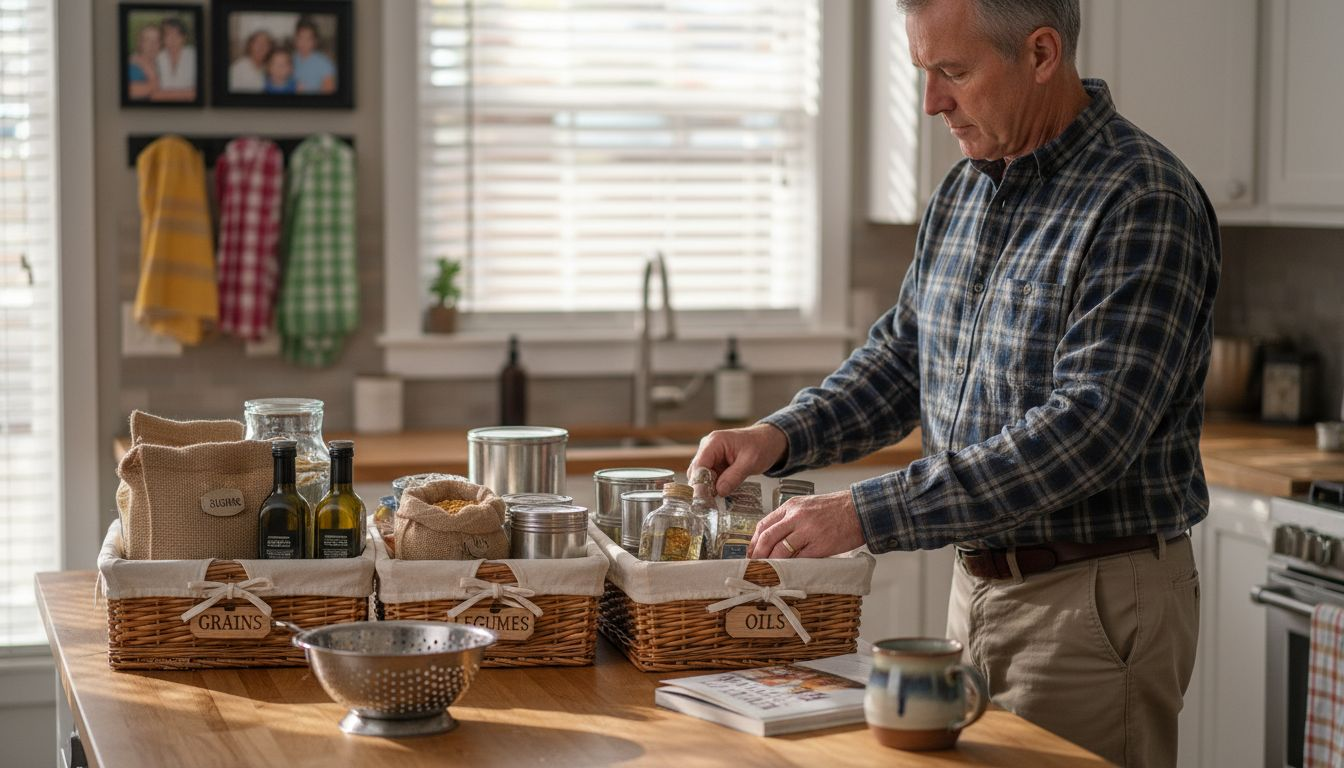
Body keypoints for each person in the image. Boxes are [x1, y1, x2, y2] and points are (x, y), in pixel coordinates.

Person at [688, 1, 1219, 766]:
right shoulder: (966, 190)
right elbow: (903, 359)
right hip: (976, 589)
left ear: (1041, 53)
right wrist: (779, 435)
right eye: (924, 71)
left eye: (954, 72)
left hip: (1092, 600)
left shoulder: (1142, 200)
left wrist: (870, 511)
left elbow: (1086, 433)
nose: (932, 101)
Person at [153, 17, 196, 101]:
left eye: (177, 35)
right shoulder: (157, 57)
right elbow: (153, 92)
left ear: (184, 38)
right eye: (168, 34)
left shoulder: (193, 55)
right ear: (162, 38)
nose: (173, 39)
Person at [292, 16, 336, 94]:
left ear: (315, 42)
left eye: (308, 39)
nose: (303, 43)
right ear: (295, 38)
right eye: (300, 37)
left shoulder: (325, 63)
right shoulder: (290, 59)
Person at [228, 29, 274, 93]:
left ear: (269, 48)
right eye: (257, 42)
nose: (261, 46)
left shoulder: (269, 68)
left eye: (265, 43)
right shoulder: (237, 69)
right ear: (250, 45)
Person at [126, 22, 161, 100]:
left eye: (156, 40)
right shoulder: (133, 68)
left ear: (160, 44)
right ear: (140, 43)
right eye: (147, 40)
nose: (152, 45)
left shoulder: (161, 62)